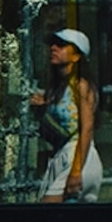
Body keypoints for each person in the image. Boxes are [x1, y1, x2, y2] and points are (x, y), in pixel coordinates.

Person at [33, 28, 99, 201]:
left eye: (62, 45)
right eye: (53, 44)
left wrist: (76, 171)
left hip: (79, 158)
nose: (54, 48)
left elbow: (87, 128)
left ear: (77, 56)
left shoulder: (81, 85)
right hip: (63, 156)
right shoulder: (59, 89)